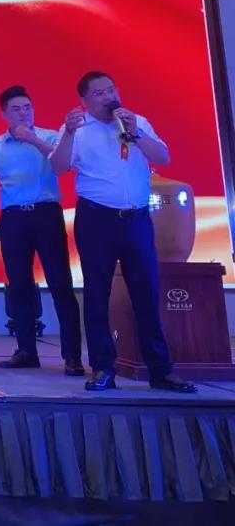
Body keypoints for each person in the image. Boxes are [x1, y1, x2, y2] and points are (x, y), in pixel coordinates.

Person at [50, 71, 195, 393]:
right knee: (97, 295)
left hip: (136, 220)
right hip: (96, 220)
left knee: (147, 294)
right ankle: (103, 369)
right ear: (85, 101)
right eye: (99, 93)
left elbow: (164, 158)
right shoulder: (76, 129)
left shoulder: (136, 121)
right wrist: (69, 133)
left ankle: (161, 371)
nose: (108, 97)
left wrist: (136, 132)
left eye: (111, 90)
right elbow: (58, 167)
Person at [0, 85, 83, 375]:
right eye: (16, 109)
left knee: (60, 283)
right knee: (19, 284)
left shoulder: (50, 136)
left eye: (27, 107)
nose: (23, 113)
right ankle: (26, 350)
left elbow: (62, 164)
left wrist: (33, 139)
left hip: (46, 213)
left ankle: (72, 356)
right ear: (4, 114)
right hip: (13, 217)